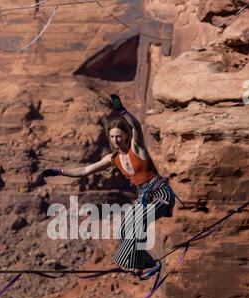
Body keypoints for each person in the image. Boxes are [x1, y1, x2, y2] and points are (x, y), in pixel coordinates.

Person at [43, 94, 176, 277]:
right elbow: (84, 170)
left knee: (135, 227)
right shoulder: (112, 159)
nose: (115, 140)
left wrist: (123, 111)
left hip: (160, 194)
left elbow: (136, 126)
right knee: (123, 230)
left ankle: (130, 263)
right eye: (112, 137)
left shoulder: (136, 148)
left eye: (119, 136)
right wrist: (59, 171)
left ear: (126, 136)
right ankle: (150, 264)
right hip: (144, 197)